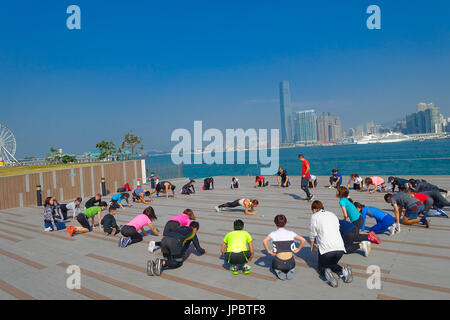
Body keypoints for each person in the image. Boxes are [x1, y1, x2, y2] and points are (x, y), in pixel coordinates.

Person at [309, 200, 352, 288]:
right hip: (340, 248)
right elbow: (338, 228)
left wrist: (312, 245)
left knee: (321, 267)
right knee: (332, 264)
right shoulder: (332, 214)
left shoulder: (314, 216)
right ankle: (343, 270)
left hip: (326, 250)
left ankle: (327, 273)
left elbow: (312, 233)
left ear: (314, 209)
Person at [262, 214, 306, 280]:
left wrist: (268, 251)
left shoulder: (273, 234)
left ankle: (278, 271)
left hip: (278, 263)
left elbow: (264, 241)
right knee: (291, 260)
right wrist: (298, 249)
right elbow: (303, 240)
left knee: (273, 261)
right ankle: (291, 269)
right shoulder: (291, 233)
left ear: (275, 223)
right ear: (285, 222)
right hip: (290, 262)